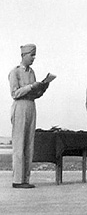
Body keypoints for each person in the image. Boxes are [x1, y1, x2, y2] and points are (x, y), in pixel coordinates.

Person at [9, 44, 49, 188]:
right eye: (31, 55)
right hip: (20, 106)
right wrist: (31, 87)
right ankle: (17, 180)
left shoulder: (32, 72)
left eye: (34, 55)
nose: (33, 58)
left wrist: (42, 88)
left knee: (29, 144)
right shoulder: (15, 72)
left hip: (31, 105)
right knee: (19, 144)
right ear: (23, 56)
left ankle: (25, 179)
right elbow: (15, 93)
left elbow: (34, 94)